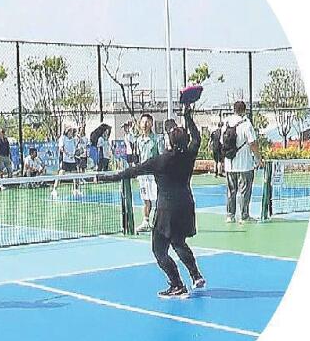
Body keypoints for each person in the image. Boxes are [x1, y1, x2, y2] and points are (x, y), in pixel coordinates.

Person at [113, 105, 205, 298]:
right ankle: (196, 275)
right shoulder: (189, 155)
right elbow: (197, 138)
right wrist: (188, 116)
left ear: (169, 141)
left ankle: (177, 284)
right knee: (178, 242)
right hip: (186, 206)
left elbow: (133, 171)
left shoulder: (160, 161)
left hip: (166, 210)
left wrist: (108, 177)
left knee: (159, 250)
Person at [221, 101, 263, 224]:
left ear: (234, 109)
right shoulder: (246, 124)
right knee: (244, 191)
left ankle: (230, 215)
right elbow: (252, 143)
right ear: (244, 110)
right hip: (244, 164)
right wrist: (258, 159)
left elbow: (221, 141)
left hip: (229, 164)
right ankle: (244, 216)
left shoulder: (226, 123)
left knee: (231, 191)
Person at [135, 113, 162, 232]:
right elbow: (139, 157)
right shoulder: (138, 140)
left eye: (147, 122)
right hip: (143, 175)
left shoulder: (157, 139)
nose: (144, 124)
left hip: (154, 175)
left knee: (158, 199)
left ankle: (159, 222)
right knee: (145, 199)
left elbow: (161, 156)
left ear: (151, 124)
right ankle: (146, 222)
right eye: (142, 122)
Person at [52, 126, 80, 198]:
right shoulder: (63, 138)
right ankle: (54, 190)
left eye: (72, 131)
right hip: (65, 160)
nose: (71, 133)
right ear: (67, 132)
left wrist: (76, 153)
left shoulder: (73, 140)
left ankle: (75, 190)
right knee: (60, 174)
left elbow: (76, 149)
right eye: (70, 131)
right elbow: (61, 148)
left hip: (72, 160)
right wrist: (67, 154)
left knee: (76, 175)